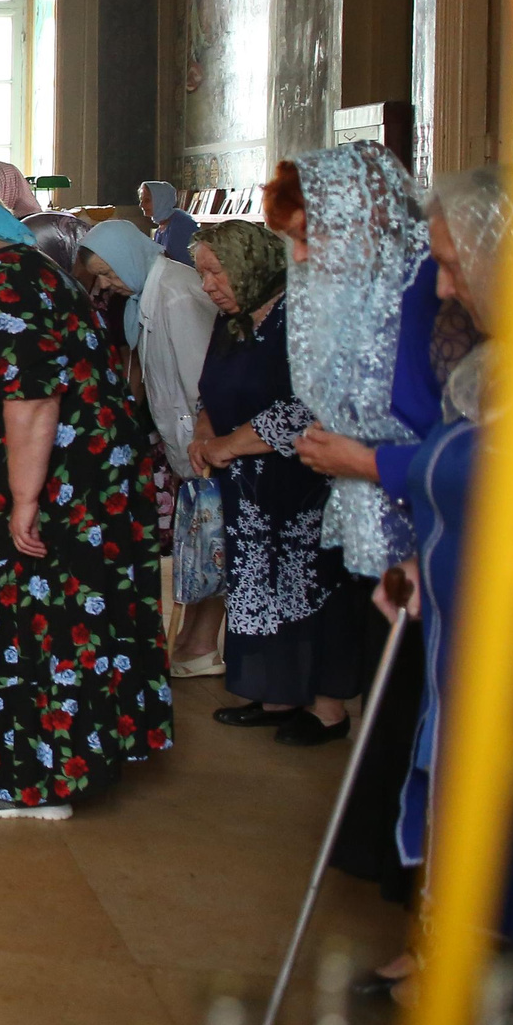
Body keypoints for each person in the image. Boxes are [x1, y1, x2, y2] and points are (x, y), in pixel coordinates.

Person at [0, 187, 172, 819]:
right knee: (60, 627)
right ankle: (57, 774)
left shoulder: (4, 285)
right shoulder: (30, 271)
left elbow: (31, 400)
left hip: (47, 491)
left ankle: (23, 780)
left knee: (22, 624)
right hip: (75, 486)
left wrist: (23, 499)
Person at [300, 167, 506, 987]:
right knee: (454, 774)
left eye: (455, 264)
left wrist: (369, 459)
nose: (442, 286)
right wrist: (425, 555)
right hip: (454, 595)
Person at [188, 220, 359, 747]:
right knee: (257, 590)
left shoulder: (303, 317)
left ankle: (327, 709)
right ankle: (277, 693)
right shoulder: (234, 320)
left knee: (307, 590)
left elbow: (304, 407)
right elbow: (208, 388)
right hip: (248, 487)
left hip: (300, 484)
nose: (209, 285)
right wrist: (202, 433)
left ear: (251, 264)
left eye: (217, 272)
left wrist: (227, 445)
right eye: (203, 274)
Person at [76, 218, 223, 674]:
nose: (106, 284)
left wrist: (201, 439)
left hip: (202, 442)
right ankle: (191, 641)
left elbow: (203, 377)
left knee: (213, 546)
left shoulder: (176, 293)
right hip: (184, 441)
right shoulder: (147, 294)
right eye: (99, 276)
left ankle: (201, 646)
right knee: (198, 545)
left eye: (108, 271)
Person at [282, 143, 426, 581]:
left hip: (438, 535)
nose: (301, 257)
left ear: (361, 220)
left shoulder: (430, 290)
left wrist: (364, 460)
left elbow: (472, 442)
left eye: (309, 237)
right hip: (383, 532)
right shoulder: (369, 293)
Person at [142, 180, 199, 265]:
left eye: (147, 200)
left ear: (161, 200)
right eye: (141, 200)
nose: (141, 205)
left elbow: (185, 264)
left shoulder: (182, 225)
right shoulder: (160, 229)